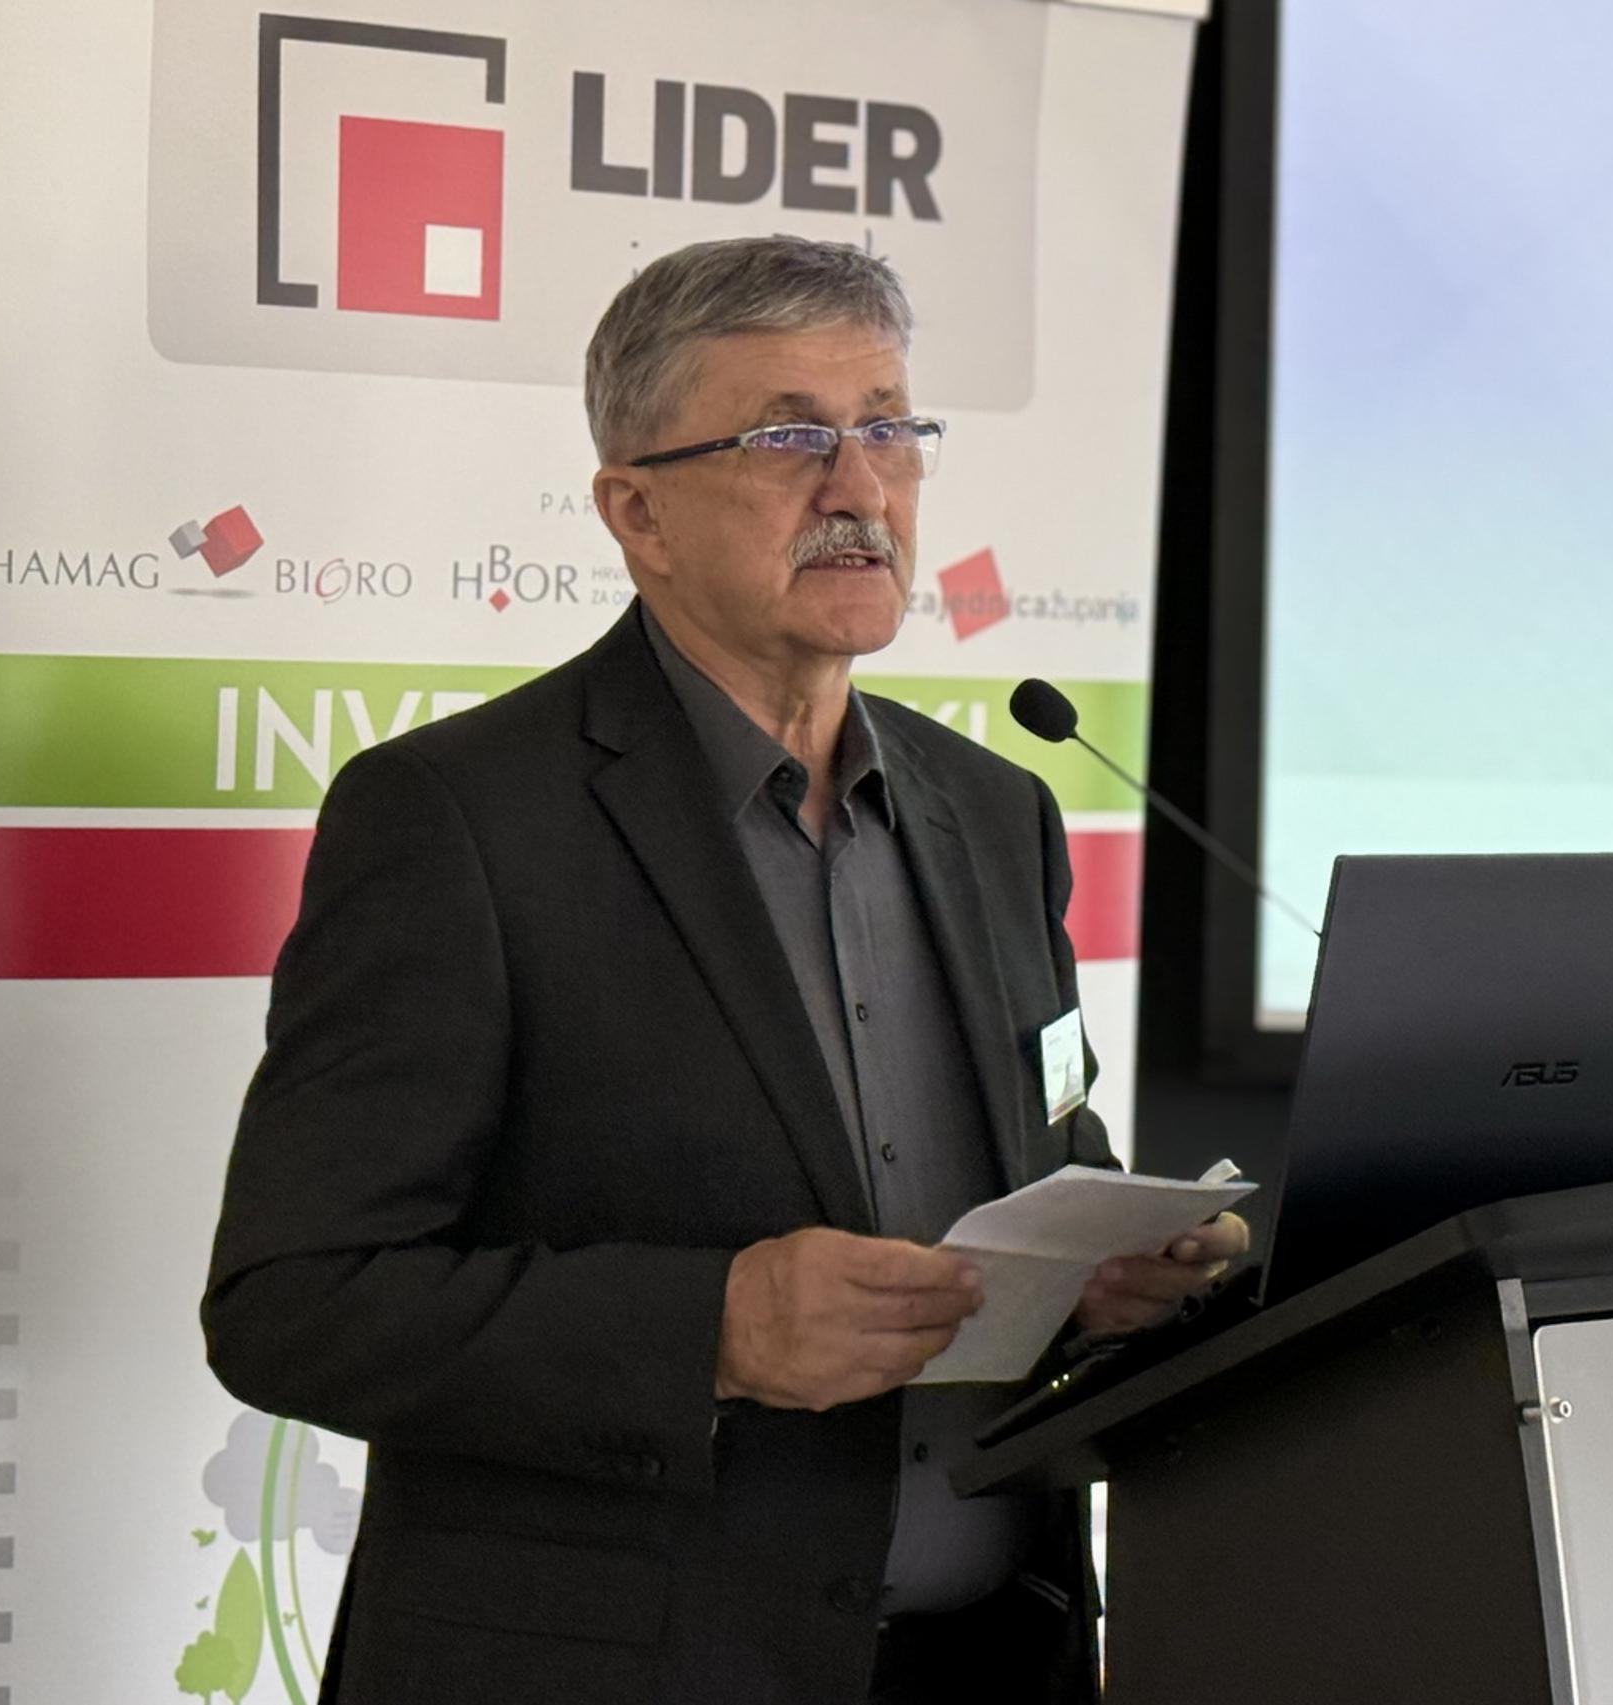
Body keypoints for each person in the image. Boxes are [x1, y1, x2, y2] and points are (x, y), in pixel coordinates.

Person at [202, 234, 1250, 1705]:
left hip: (986, 1663)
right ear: (637, 511)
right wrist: (714, 1331)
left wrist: (1104, 1272)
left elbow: (1050, 1154)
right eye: (790, 437)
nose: (860, 488)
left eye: (889, 427)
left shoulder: (996, 812)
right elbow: (294, 1302)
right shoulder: (458, 820)